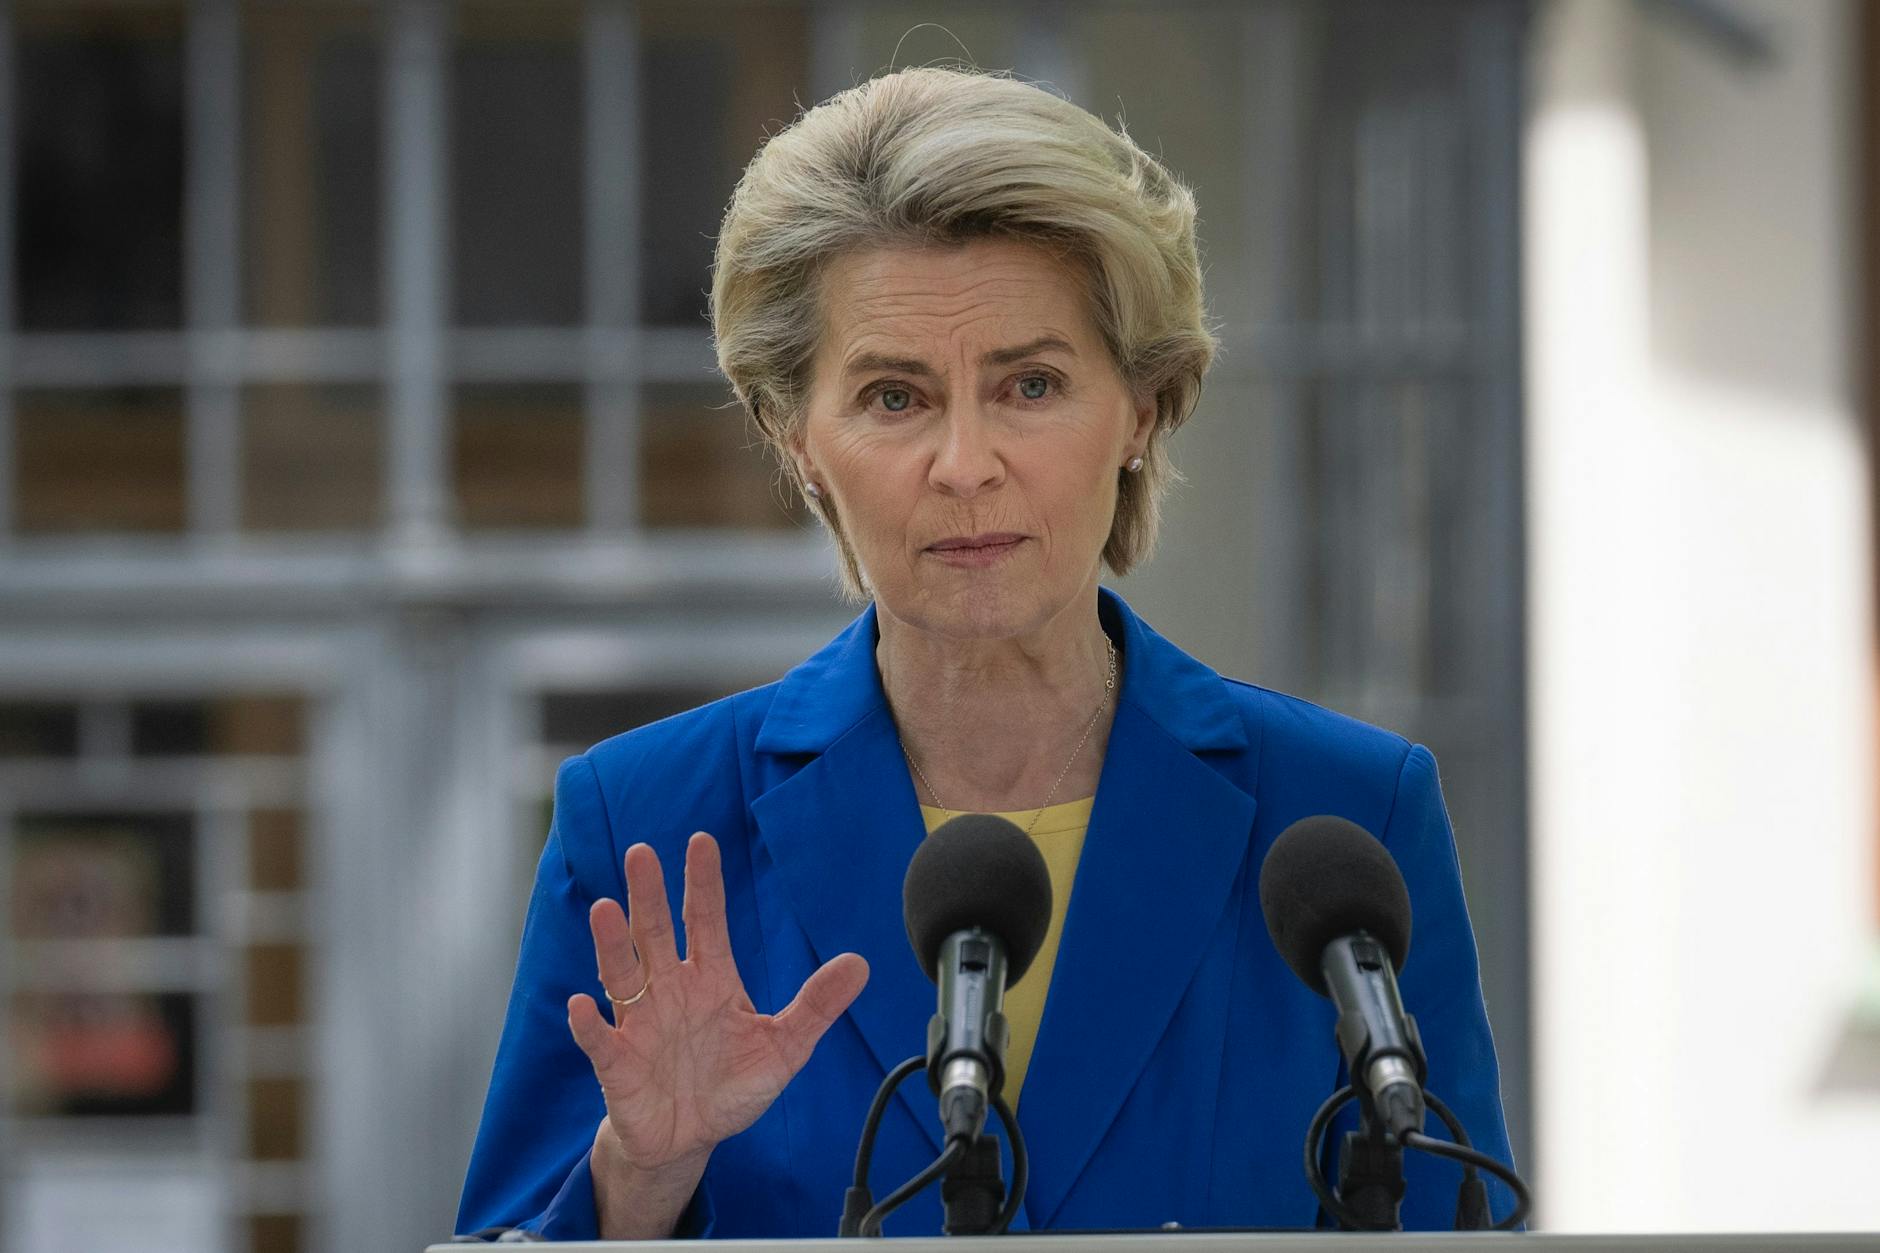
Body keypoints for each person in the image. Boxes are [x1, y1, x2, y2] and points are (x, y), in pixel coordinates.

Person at [456, 65, 1516, 1241]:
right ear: (793, 434)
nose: (965, 463)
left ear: (1143, 409)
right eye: (895, 397)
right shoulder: (648, 824)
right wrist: (638, 1179)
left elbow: (1453, 1214)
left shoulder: (1348, 820)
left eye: (1030, 383)